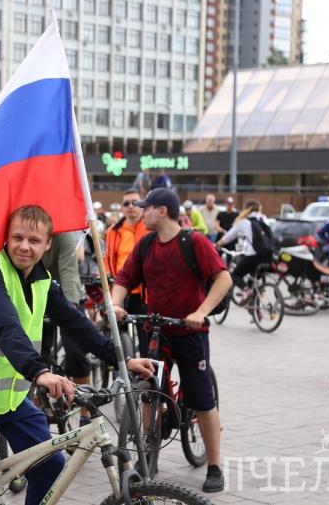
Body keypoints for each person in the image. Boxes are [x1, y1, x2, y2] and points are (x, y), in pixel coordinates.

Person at [0, 205, 156, 504]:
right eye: (17, 237)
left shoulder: (41, 280)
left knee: (50, 468)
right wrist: (40, 372)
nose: (24, 246)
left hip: (9, 400)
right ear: (6, 238)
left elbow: (74, 322)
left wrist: (121, 359)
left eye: (34, 240)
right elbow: (5, 326)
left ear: (48, 244)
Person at [110, 188, 231, 493]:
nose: (142, 212)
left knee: (202, 400)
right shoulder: (146, 244)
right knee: (150, 391)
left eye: (146, 207)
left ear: (162, 211)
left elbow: (223, 278)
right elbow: (124, 278)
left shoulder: (194, 242)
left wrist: (201, 312)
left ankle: (214, 465)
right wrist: (116, 303)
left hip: (189, 333)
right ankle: (148, 454)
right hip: (155, 330)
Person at [41, 232, 92, 423]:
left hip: (68, 297)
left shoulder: (64, 236)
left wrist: (70, 309)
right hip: (39, 295)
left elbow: (69, 272)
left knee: (76, 353)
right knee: (36, 354)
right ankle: (38, 403)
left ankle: (86, 412)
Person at [105, 189, 149, 314]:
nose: (130, 206)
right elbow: (108, 258)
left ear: (142, 206)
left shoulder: (150, 229)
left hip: (145, 292)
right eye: (126, 203)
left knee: (144, 326)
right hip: (120, 291)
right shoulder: (112, 231)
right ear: (122, 207)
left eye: (135, 202)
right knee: (118, 326)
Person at [216, 199, 271, 294]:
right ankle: (253, 296)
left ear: (246, 209)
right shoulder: (264, 219)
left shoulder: (244, 222)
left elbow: (228, 237)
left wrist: (217, 244)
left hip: (253, 255)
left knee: (235, 275)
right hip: (268, 255)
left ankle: (247, 291)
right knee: (253, 277)